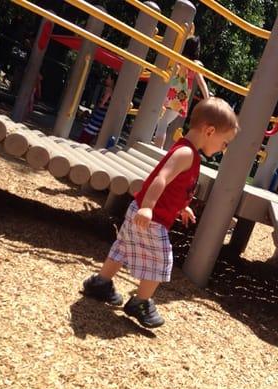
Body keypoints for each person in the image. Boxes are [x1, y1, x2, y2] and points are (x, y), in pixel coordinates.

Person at [81, 97, 239, 328]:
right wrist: (147, 207)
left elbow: (173, 187)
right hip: (151, 217)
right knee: (161, 260)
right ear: (210, 131)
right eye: (225, 142)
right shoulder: (186, 154)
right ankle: (140, 302)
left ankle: (101, 283)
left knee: (123, 247)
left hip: (145, 211)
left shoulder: (188, 152)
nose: (224, 149)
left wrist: (181, 206)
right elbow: (161, 178)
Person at [153, 35, 211, 148]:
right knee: (163, 122)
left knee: (162, 122)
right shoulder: (195, 65)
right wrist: (207, 99)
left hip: (169, 93)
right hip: (180, 98)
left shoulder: (177, 58)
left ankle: (157, 148)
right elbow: (202, 83)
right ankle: (157, 147)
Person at [78, 73, 116, 145]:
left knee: (87, 133)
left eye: (108, 78)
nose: (106, 80)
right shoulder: (113, 91)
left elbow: (102, 104)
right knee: (92, 133)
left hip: (98, 115)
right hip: (101, 116)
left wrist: (99, 104)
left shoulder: (108, 90)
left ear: (112, 80)